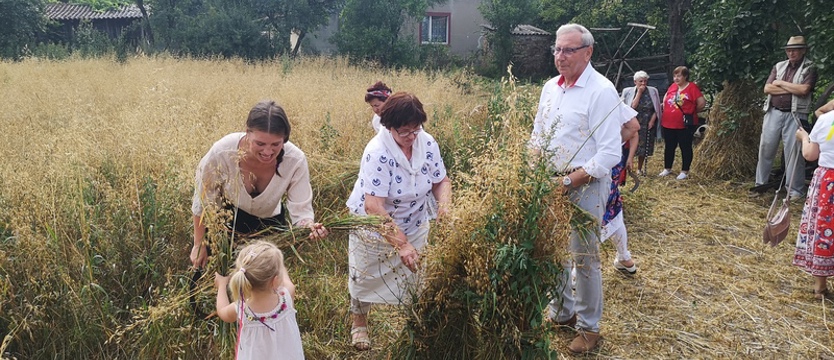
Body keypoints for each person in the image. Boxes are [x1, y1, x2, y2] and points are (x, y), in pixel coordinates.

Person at [530, 23, 629, 355]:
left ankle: (590, 328)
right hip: (549, 181)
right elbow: (538, 136)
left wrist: (567, 182)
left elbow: (610, 154)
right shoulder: (550, 88)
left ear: (588, 52)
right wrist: (532, 170)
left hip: (582, 184)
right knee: (553, 251)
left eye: (568, 50)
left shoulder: (601, 91)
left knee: (584, 258)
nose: (560, 56)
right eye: (557, 49)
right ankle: (562, 311)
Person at [345, 92, 452, 351]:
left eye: (416, 130)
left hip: (414, 220)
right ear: (388, 126)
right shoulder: (377, 152)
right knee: (364, 276)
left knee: (415, 277)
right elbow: (374, 206)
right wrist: (401, 244)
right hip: (375, 225)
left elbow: (441, 181)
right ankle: (359, 322)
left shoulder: (427, 143)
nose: (411, 137)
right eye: (404, 132)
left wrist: (445, 206)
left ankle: (413, 323)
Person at [190, 100, 329, 269]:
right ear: (247, 133)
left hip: (268, 224)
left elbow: (301, 211)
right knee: (211, 275)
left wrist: (309, 227)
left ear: (284, 138)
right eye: (260, 144)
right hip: (226, 220)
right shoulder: (222, 151)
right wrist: (199, 244)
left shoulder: (295, 160)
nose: (268, 152)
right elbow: (203, 202)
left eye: (276, 144)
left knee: (262, 282)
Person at [215, 240, 304, 359]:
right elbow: (286, 280)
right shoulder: (286, 298)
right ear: (275, 280)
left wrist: (221, 285)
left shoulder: (242, 309)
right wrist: (277, 259)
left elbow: (222, 312)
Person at [753, 36, 817, 199]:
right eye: (789, 50)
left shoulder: (810, 67)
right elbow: (767, 88)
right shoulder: (779, 66)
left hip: (795, 114)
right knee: (766, 147)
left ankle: (794, 190)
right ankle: (761, 185)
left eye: (795, 49)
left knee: (794, 152)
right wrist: (792, 88)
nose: (791, 52)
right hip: (773, 111)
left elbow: (804, 90)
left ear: (803, 50)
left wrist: (780, 83)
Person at [793, 110, 834, 300]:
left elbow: (810, 154)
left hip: (828, 181)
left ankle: (820, 287)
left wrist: (804, 137)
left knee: (824, 230)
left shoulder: (826, 119)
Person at [603, 115, 640, 274]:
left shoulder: (601, 96)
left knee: (596, 212)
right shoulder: (612, 100)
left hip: (600, 163)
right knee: (613, 210)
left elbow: (634, 128)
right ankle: (624, 258)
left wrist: (612, 145)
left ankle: (577, 270)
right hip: (609, 160)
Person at [659, 66, 706, 180]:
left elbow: (701, 103)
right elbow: (665, 101)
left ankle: (685, 170)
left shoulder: (692, 88)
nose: (676, 78)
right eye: (674, 76)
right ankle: (667, 168)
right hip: (668, 123)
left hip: (684, 124)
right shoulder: (672, 87)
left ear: (685, 76)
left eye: (679, 76)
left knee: (685, 146)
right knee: (669, 146)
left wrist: (691, 112)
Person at [621, 71, 662, 175]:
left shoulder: (653, 91)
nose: (643, 84)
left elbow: (656, 108)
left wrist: (652, 121)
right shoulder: (628, 91)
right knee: (629, 145)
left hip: (647, 122)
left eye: (645, 81)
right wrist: (639, 93)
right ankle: (627, 166)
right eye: (641, 81)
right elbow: (632, 107)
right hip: (632, 123)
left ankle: (639, 168)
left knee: (644, 148)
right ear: (635, 82)